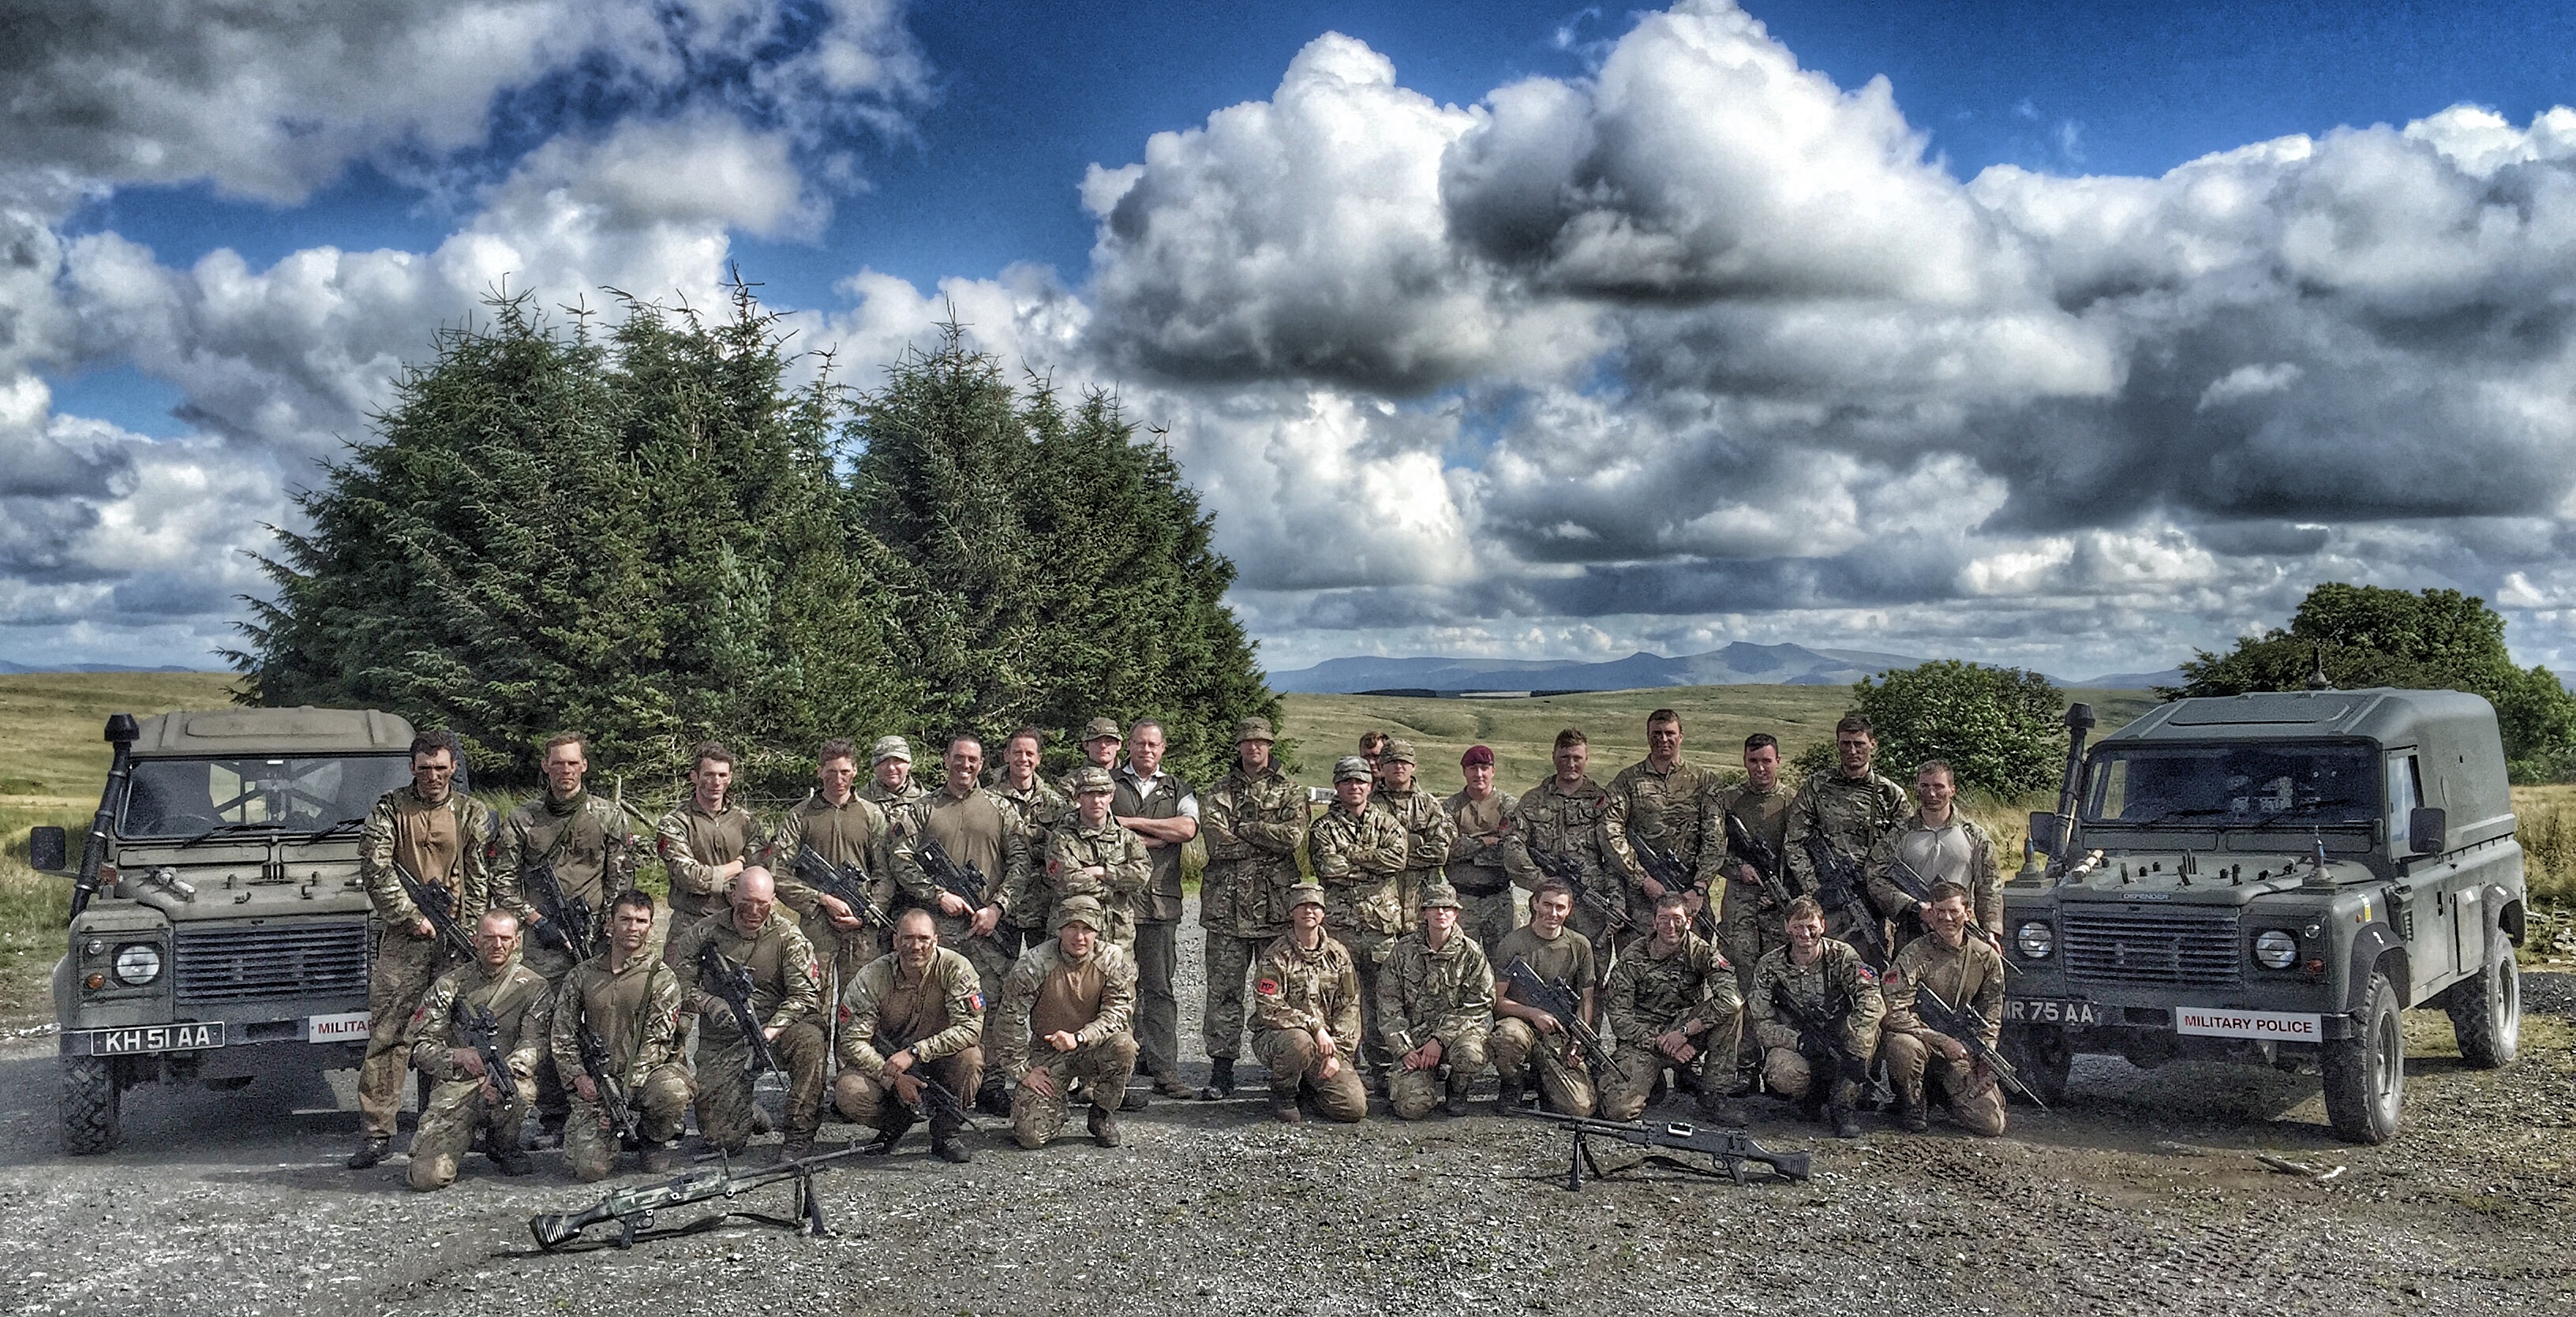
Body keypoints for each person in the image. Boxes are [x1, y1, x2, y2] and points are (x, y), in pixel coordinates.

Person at [351, 730, 499, 1171]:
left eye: (441, 767)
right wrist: (410, 917)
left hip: (455, 941)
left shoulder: (471, 812)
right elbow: (375, 868)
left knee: (456, 1033)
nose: (433, 776)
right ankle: (378, 1132)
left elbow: (479, 879)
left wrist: (470, 933)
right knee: (390, 1036)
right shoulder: (389, 809)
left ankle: (444, 1124)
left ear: (454, 767)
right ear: (411, 768)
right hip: (405, 939)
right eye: (424, 767)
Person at [492, 731, 642, 1147]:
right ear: (545, 766)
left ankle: (608, 1104)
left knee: (603, 1021)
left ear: (584, 766)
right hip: (543, 944)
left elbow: (621, 879)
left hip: (594, 937)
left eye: (572, 763)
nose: (565, 771)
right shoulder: (524, 820)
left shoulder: (609, 816)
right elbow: (502, 883)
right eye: (557, 763)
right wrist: (534, 918)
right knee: (547, 1024)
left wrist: (609, 930)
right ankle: (555, 1115)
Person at [891, 735, 1029, 1115]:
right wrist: (938, 895)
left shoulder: (1001, 809)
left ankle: (992, 1082)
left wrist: (998, 908)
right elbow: (900, 859)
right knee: (935, 1004)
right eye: (958, 758)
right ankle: (935, 1079)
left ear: (982, 764)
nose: (964, 766)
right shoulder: (922, 810)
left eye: (972, 760)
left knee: (993, 1004)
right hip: (941, 931)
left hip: (988, 928)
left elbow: (1021, 863)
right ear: (945, 760)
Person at [665, 866, 829, 1158]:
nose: (754, 910)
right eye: (747, 901)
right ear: (732, 895)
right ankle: (745, 1111)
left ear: (774, 901)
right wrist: (708, 1003)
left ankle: (799, 1135)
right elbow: (677, 986)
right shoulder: (702, 933)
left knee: (811, 1040)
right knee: (721, 1142)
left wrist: (771, 1030)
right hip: (724, 1038)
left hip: (775, 1031)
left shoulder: (788, 937)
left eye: (762, 904)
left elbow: (805, 995)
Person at [1197, 717, 1307, 1100]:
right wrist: (1265, 836)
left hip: (1274, 911)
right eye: (1247, 742)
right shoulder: (1217, 792)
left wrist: (1245, 827)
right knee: (1223, 993)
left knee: (1280, 992)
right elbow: (1217, 844)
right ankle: (1222, 1070)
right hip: (1226, 911)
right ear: (1239, 746)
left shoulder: (1290, 791)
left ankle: (1285, 1070)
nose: (1254, 748)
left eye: (1261, 742)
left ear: (1270, 746)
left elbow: (1293, 838)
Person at [550, 889, 693, 1180]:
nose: (633, 927)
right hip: (594, 1080)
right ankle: (606, 1135)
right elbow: (562, 1031)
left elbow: (657, 1043)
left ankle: (652, 1139)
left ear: (651, 926)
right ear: (610, 923)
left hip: (644, 1076)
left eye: (641, 921)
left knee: (673, 1091)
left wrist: (623, 1096)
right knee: (589, 1170)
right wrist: (579, 1077)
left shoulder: (661, 978)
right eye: (625, 919)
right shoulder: (582, 975)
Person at [404, 909, 551, 1191]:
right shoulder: (449, 985)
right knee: (427, 1178)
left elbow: (535, 1042)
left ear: (517, 941)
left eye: (505, 938)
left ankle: (502, 1145)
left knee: (521, 1091)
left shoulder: (534, 987)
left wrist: (505, 1073)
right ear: (475, 940)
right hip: (457, 1087)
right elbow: (420, 1047)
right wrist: (457, 1056)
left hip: (505, 1079)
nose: (497, 945)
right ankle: (459, 1137)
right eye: (489, 938)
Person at [834, 907, 984, 1162]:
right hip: (888, 1064)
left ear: (936, 940)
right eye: (908, 938)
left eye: (924, 939)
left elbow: (970, 1029)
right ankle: (896, 1123)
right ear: (895, 941)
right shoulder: (871, 977)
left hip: (939, 1061)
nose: (916, 946)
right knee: (848, 1091)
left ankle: (946, 1133)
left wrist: (916, 1052)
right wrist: (893, 1077)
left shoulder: (956, 969)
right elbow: (852, 1040)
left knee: (972, 1059)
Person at [991, 896, 1140, 1150]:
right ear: (1059, 929)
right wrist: (1023, 1072)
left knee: (1125, 1046)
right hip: (1048, 1052)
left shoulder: (1113, 959)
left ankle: (1102, 1113)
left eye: (1087, 929)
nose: (1079, 937)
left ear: (1098, 931)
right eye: (1072, 928)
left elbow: (1118, 1013)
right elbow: (1009, 1021)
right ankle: (1056, 1107)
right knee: (1030, 1138)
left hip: (1093, 1046)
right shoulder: (1034, 964)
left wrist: (1080, 1037)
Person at [1306, 754, 1410, 1093]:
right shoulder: (1323, 827)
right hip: (1341, 928)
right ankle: (1343, 1065)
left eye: (1362, 781)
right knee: (1340, 1000)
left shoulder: (1388, 822)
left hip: (1381, 929)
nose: (1355, 787)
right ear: (1337, 785)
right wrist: (1371, 862)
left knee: (1384, 999)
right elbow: (1328, 867)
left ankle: (1382, 1068)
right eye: (1348, 781)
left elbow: (1397, 859)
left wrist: (1352, 855)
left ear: (1371, 784)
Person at [770, 738, 899, 1008]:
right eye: (831, 771)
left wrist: (866, 915)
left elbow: (884, 874)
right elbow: (778, 873)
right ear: (820, 772)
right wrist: (822, 900)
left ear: (855, 771)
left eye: (844, 771)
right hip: (816, 925)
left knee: (858, 1007)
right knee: (812, 1004)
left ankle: (850, 1054)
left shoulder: (871, 815)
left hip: (860, 930)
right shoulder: (800, 816)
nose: (838, 779)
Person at [1747, 896, 1886, 1139]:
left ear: (1823, 925)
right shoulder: (1769, 966)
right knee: (1782, 1069)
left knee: (1868, 1035)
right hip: (1800, 1044)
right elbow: (1760, 1024)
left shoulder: (1842, 955)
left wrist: (1856, 1044)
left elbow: (1871, 998)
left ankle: (1843, 1106)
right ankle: (1810, 1096)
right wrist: (1798, 1041)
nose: (1805, 933)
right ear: (1787, 927)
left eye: (1811, 926)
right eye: (1798, 926)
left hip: (1839, 1036)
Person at [1600, 893, 1746, 1124]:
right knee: (1618, 1111)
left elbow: (1731, 999)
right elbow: (1619, 1018)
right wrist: (1662, 1042)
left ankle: (1714, 1095)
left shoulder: (1701, 952)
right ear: (1654, 922)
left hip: (1685, 1032)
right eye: (1664, 919)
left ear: (1688, 922)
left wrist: (1685, 1032)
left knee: (1733, 1011)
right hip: (1644, 1039)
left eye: (1677, 919)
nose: (1670, 926)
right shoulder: (1632, 957)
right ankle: (1652, 1078)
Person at [1113, 718, 1200, 1103]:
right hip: (1117, 907)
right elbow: (1099, 826)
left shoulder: (1178, 788)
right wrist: (1156, 836)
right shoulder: (1111, 785)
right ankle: (1119, 1073)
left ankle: (1165, 1070)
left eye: (1153, 745)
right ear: (1128, 747)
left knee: (1160, 990)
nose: (1146, 750)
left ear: (1163, 749)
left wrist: (1131, 824)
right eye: (1139, 743)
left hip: (1161, 905)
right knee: (1116, 991)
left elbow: (1186, 830)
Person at [1878, 881, 2009, 1136]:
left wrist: (1986, 1053)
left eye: (1954, 911)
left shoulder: (1986, 958)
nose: (1947, 918)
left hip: (1960, 1051)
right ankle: (1913, 1102)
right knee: (1903, 1047)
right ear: (1931, 913)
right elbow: (1893, 1012)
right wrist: (1939, 1040)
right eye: (1940, 911)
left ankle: (1943, 1093)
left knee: (1991, 1125)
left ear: (1967, 914)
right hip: (1923, 1042)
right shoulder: (1914, 954)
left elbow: (1992, 1011)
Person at [1784, 715, 1908, 965]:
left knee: (1875, 965)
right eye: (1846, 743)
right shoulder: (1817, 786)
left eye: (1859, 744)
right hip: (1827, 902)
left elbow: (1907, 850)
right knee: (1826, 968)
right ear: (1838, 744)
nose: (1852, 751)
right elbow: (1794, 842)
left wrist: (1880, 884)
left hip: (1873, 901)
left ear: (1873, 744)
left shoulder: (1890, 794)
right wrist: (1815, 888)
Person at [1250, 883, 1368, 1124]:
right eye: (1302, 905)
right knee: (1299, 1042)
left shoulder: (1338, 955)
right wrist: (1314, 1026)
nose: (1308, 911)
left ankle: (1309, 1087)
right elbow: (1268, 1007)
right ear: (1292, 911)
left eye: (1315, 906)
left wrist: (1339, 1052)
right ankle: (1284, 1093)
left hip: (1328, 1047)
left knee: (1353, 1109)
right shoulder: (1275, 955)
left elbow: (1350, 1007)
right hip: (1282, 1039)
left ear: (1323, 913)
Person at [1378, 882, 1495, 1119]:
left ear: (1456, 914)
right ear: (1424, 913)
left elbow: (1481, 1003)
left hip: (1455, 1037)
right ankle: (1421, 1082)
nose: (1441, 913)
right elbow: (1388, 1003)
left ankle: (1458, 1088)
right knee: (1412, 1108)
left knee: (1471, 1055)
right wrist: (1403, 1050)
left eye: (1447, 908)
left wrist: (1440, 1039)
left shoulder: (1471, 952)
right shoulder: (1403, 951)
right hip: (1415, 1042)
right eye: (1434, 908)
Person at [1866, 760, 2005, 950]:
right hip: (1912, 935)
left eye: (1939, 787)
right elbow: (1875, 877)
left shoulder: (1975, 836)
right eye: (1925, 786)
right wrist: (1914, 906)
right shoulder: (1900, 835)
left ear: (1952, 790)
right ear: (1917, 789)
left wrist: (1990, 931)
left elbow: (1989, 887)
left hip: (1960, 933)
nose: (1931, 794)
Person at [1488, 881, 1599, 1117]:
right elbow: (1497, 1000)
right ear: (1535, 904)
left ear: (1569, 910)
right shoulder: (1514, 943)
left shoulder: (1580, 945)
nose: (1553, 913)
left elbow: (1586, 998)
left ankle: (1543, 1080)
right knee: (1508, 1037)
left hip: (1558, 1029)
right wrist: (1533, 1014)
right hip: (1521, 1023)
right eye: (1547, 905)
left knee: (1580, 1109)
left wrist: (1579, 1038)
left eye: (1560, 907)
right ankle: (1513, 1083)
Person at [1603, 708, 1720, 929]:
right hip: (1641, 900)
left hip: (1690, 894)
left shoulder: (1704, 781)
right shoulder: (1627, 781)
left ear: (1681, 737)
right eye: (1656, 733)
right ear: (1648, 736)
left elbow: (1715, 837)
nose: (1663, 739)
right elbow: (1610, 830)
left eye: (1669, 733)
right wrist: (1642, 879)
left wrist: (1700, 887)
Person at [1516, 729, 1622, 964]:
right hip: (1547, 908)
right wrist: (1542, 884)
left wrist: (1615, 897)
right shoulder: (1533, 800)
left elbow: (1615, 854)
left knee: (1591, 971)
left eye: (1577, 758)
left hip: (1591, 905)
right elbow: (1514, 846)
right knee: (1542, 967)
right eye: (1565, 757)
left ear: (1587, 759)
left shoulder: (1601, 801)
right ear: (1554, 757)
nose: (1571, 764)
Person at [1702, 732, 1794, 999]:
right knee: (1737, 976)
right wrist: (1737, 869)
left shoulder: (1793, 801)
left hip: (1777, 902)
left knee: (1780, 978)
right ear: (1744, 761)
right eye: (1754, 761)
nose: (1760, 768)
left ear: (1778, 761)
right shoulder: (1728, 800)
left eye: (1766, 760)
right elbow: (1713, 848)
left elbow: (1799, 853)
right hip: (1739, 902)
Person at [653, 740, 768, 931]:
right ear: (694, 777)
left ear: (730, 778)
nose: (716, 782)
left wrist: (715, 877)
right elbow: (688, 876)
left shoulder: (746, 821)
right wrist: (737, 866)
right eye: (709, 775)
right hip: (690, 922)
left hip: (739, 921)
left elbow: (758, 869)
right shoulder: (675, 822)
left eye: (722, 775)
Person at [1038, 766, 1152, 951]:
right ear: (1078, 797)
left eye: (1102, 793)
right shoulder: (1061, 838)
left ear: (1111, 797)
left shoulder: (1126, 838)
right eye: (1089, 793)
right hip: (1074, 941)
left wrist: (1104, 873)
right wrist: (1116, 890)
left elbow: (1142, 877)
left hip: (1117, 939)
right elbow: (1068, 883)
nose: (1097, 800)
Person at [1443, 743, 1534, 960]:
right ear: (1464, 771)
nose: (1479, 774)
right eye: (1473, 768)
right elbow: (1448, 849)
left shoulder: (1510, 806)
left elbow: (1513, 848)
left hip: (1499, 898)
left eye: (1485, 768)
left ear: (1493, 771)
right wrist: (1486, 841)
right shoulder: (1451, 807)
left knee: (1503, 961)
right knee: (1461, 961)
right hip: (1463, 898)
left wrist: (1470, 848)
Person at [988, 725, 1068, 959]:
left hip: (1043, 909)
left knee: (1046, 980)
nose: (1023, 759)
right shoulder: (986, 801)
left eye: (1029, 754)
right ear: (1006, 756)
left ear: (1039, 759)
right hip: (1000, 907)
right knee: (998, 981)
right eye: (1017, 752)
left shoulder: (1057, 805)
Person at [1372, 739, 1457, 936]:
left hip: (1422, 899)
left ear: (1414, 767)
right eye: (1392, 762)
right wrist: (1415, 850)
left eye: (1404, 762)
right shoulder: (1368, 806)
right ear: (1381, 767)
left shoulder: (1429, 804)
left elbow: (1440, 852)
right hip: (1380, 900)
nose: (1398, 766)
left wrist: (1390, 857)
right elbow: (1361, 852)